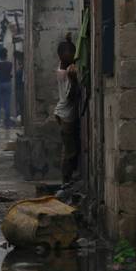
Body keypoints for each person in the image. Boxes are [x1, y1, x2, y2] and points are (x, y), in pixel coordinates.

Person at [54, 33, 81, 184]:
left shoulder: (60, 68)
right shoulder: (67, 73)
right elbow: (70, 96)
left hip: (62, 113)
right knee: (70, 151)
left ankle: (67, 179)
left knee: (68, 148)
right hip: (67, 115)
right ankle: (66, 181)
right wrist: (75, 81)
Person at [0, 49, 14, 128]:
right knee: (7, 104)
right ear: (6, 55)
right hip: (7, 83)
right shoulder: (10, 64)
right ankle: (7, 123)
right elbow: (10, 74)